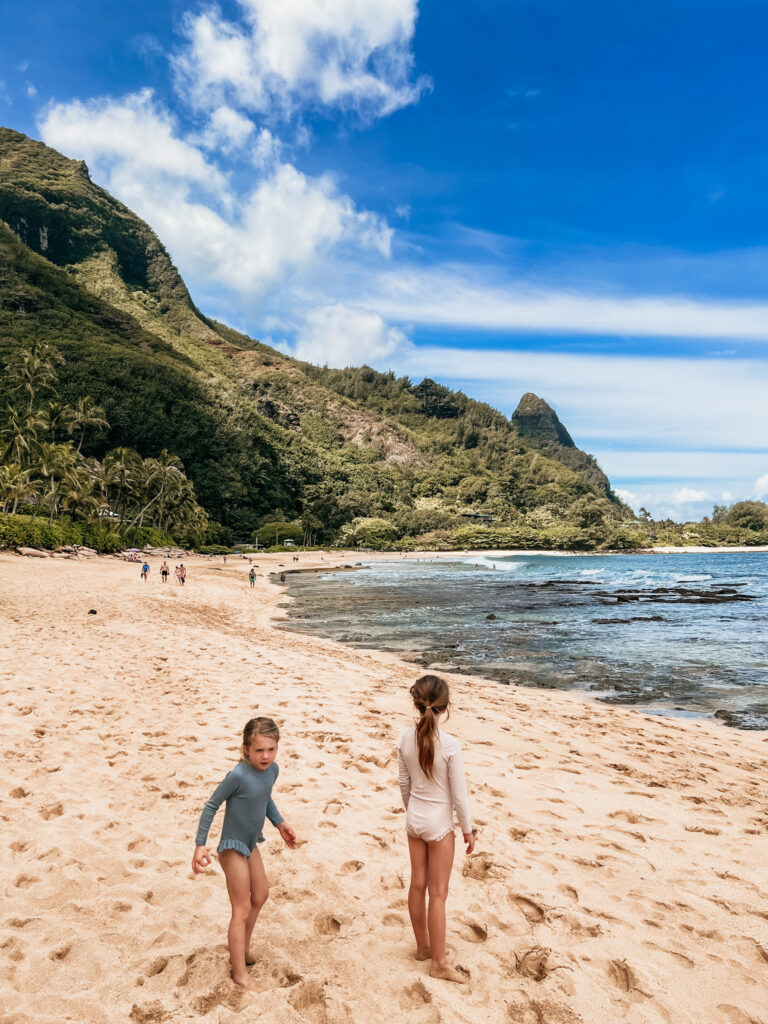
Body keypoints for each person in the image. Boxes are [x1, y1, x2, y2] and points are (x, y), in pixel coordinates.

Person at [192, 717, 296, 989]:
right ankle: (239, 973)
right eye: (259, 750)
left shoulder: (272, 771)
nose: (265, 756)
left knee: (261, 895)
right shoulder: (237, 776)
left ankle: (242, 950)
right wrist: (200, 844)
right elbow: (211, 805)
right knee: (241, 908)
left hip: (251, 844)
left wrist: (280, 823)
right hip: (232, 847)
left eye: (271, 749)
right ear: (245, 749)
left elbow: (265, 799)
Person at [397, 675, 475, 984]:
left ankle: (423, 948)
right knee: (438, 893)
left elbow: (404, 784)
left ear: (416, 703)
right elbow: (459, 795)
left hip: (414, 818)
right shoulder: (450, 745)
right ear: (444, 708)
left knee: (417, 885)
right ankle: (440, 963)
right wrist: (467, 830)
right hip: (439, 824)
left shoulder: (404, 738)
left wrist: (412, 811)